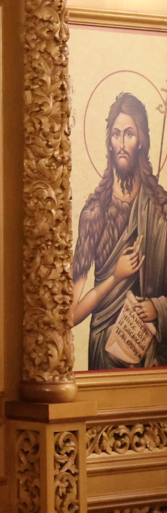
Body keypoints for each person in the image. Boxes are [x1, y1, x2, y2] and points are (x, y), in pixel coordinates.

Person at [72, 92, 167, 370]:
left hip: (149, 353)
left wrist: (158, 308)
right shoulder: (95, 213)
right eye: (116, 134)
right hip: (105, 351)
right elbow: (70, 315)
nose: (122, 144)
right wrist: (115, 277)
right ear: (109, 144)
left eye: (129, 134)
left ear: (142, 142)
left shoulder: (161, 211)